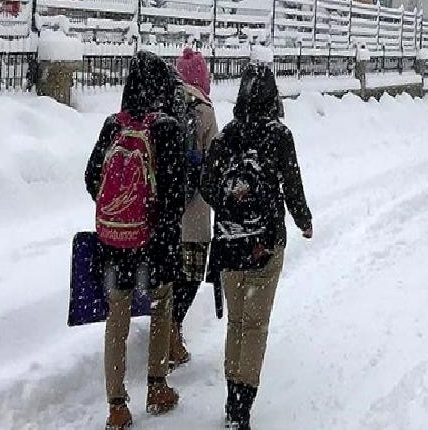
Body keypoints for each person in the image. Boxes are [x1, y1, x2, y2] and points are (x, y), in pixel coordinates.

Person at [201, 62, 313, 430]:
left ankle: (232, 394)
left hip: (231, 243)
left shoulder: (227, 136)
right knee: (255, 326)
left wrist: (228, 204)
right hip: (264, 244)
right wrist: (303, 220)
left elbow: (207, 183)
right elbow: (292, 185)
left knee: (236, 323)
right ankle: (242, 405)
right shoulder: (279, 136)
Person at [85, 51, 186, 430]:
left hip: (114, 243)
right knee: (161, 307)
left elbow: (91, 176)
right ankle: (157, 386)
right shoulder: (167, 128)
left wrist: (118, 208)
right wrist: (157, 222)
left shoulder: (114, 125)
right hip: (155, 245)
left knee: (117, 316)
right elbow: (178, 191)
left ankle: (116, 405)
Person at [170, 47, 219, 367]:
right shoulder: (203, 110)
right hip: (195, 214)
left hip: (163, 211)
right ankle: (172, 332)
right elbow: (215, 163)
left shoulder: (162, 103)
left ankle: (166, 332)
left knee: (167, 276)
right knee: (189, 275)